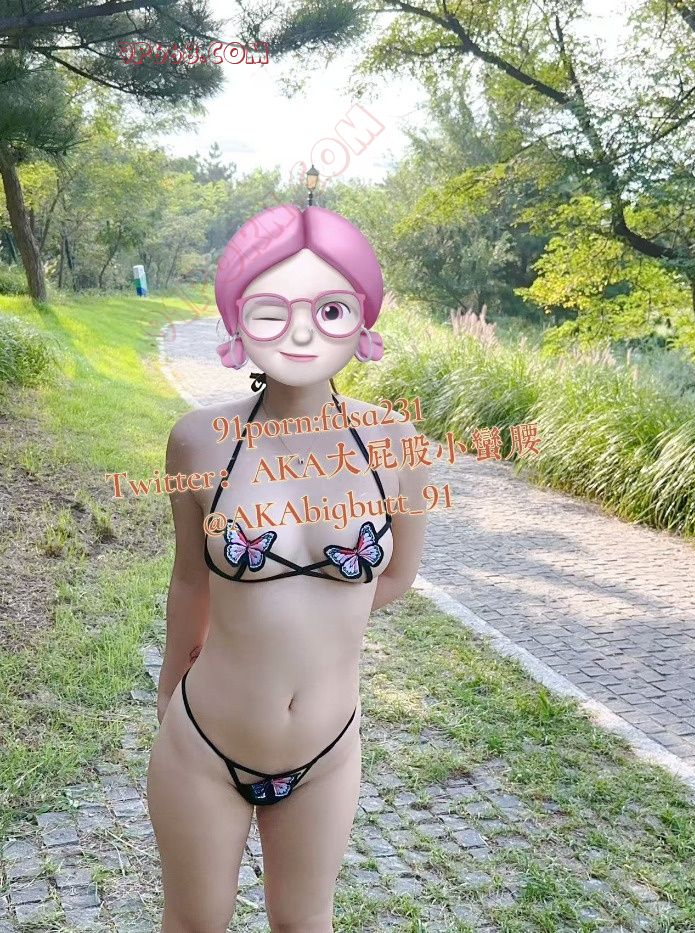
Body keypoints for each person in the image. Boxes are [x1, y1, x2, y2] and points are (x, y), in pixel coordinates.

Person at [146, 204, 429, 933]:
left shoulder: (395, 441)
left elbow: (398, 574)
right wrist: (169, 689)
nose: (302, 332)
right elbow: (190, 577)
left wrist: (310, 621)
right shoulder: (199, 441)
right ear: (239, 321)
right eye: (274, 309)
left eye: (328, 308)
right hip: (205, 742)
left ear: (361, 318)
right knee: (195, 924)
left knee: (305, 923)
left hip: (327, 750)